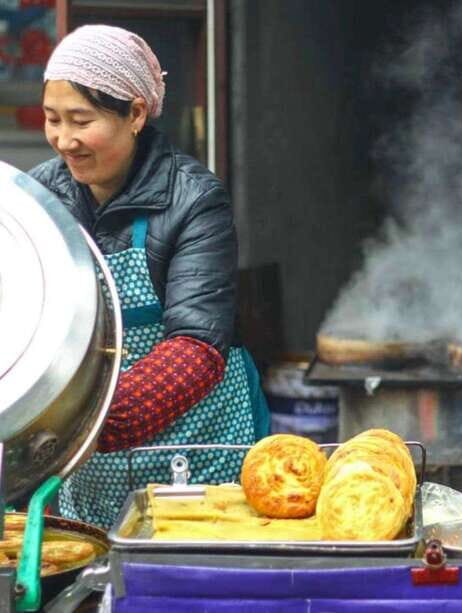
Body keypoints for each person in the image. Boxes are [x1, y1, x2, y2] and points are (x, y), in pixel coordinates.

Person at [29, 25, 270, 528]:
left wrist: (83, 419)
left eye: (81, 120)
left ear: (135, 114)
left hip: (196, 449)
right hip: (88, 465)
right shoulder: (39, 200)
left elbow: (198, 345)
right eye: (52, 120)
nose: (63, 140)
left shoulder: (195, 200)